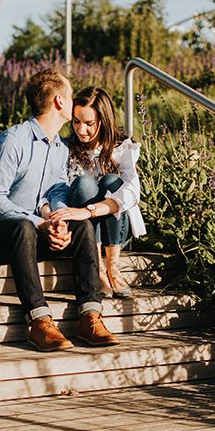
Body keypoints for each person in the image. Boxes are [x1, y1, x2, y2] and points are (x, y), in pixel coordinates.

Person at [0, 68, 119, 352]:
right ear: (58, 102)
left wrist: (57, 218)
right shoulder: (13, 140)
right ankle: (39, 321)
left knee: (81, 225)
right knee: (23, 227)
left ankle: (90, 316)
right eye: (68, 95)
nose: (71, 100)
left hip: (33, 232)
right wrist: (37, 222)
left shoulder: (59, 148)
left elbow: (54, 190)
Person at [49, 86, 146, 299]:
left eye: (89, 124)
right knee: (84, 184)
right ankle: (98, 268)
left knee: (112, 180)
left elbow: (132, 192)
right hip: (83, 231)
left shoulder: (121, 148)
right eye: (76, 121)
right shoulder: (66, 149)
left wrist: (90, 210)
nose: (81, 130)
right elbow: (58, 188)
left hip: (115, 229)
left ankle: (113, 267)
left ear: (103, 121)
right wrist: (63, 215)